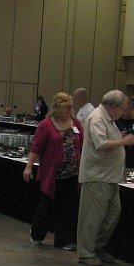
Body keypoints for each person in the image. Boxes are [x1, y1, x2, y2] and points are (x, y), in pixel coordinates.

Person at [76, 89, 134, 266]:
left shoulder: (108, 119)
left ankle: (97, 246)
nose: (122, 113)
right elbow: (101, 144)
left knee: (112, 214)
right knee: (92, 217)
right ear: (114, 106)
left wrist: (119, 138)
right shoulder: (97, 118)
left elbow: (107, 140)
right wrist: (123, 141)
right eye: (122, 108)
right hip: (97, 176)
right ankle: (86, 252)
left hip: (110, 177)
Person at [24, 92, 83, 250]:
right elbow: (36, 147)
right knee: (48, 205)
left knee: (69, 207)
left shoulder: (76, 123)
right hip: (52, 174)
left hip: (72, 173)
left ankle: (64, 240)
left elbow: (83, 143)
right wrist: (29, 166)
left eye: (71, 107)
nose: (69, 110)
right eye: (66, 107)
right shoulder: (46, 125)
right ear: (57, 108)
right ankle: (37, 234)